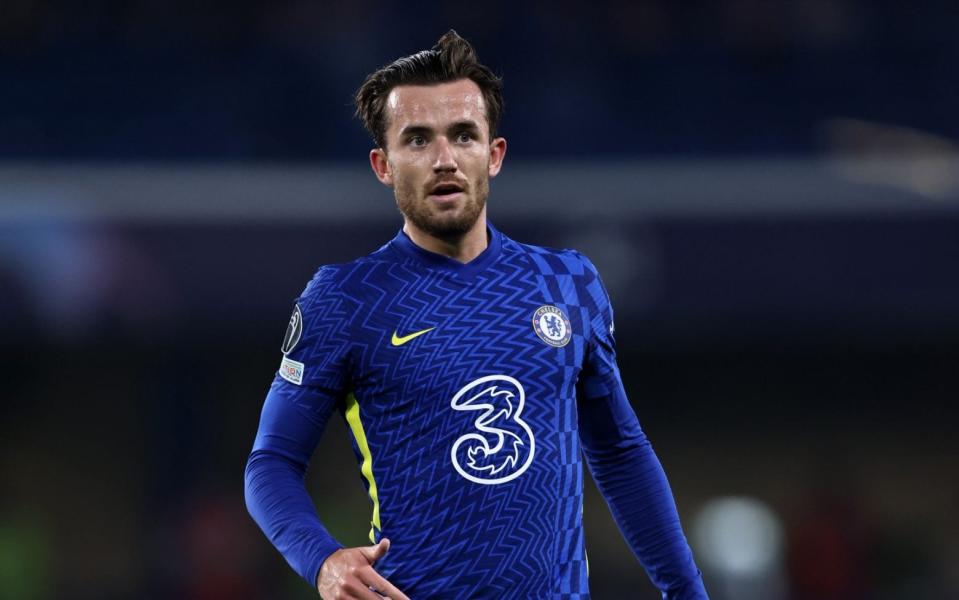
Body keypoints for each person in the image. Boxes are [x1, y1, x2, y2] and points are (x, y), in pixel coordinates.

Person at [244, 30, 708, 599]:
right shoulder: (345, 299)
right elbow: (270, 464)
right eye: (417, 140)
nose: (444, 159)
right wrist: (322, 561)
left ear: (494, 154)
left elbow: (620, 453)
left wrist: (687, 593)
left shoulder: (567, 283)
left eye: (463, 135)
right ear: (383, 165)